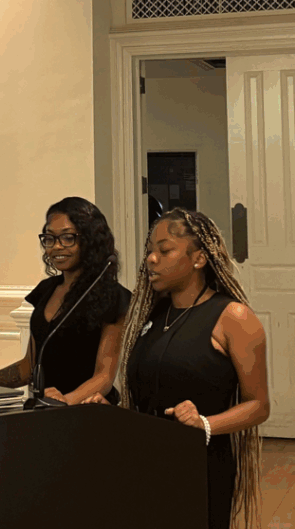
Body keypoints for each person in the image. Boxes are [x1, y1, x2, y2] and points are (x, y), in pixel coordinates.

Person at [82, 208, 269, 529]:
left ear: (198, 258)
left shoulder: (233, 318)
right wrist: (112, 413)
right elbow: (148, 395)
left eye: (164, 250)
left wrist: (205, 424)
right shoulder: (153, 316)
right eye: (149, 251)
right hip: (145, 463)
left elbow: (258, 405)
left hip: (199, 467)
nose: (151, 259)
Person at [0, 197, 131, 405]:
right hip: (44, 409)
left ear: (90, 240)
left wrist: (64, 401)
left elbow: (104, 377)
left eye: (67, 238)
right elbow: (29, 367)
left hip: (84, 411)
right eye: (49, 238)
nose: (56, 247)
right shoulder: (45, 290)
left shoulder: (114, 297)